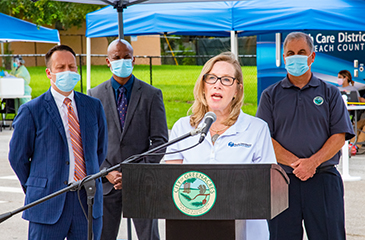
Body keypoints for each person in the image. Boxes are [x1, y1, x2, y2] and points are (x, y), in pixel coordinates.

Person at [165, 52, 277, 240]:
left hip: (247, 231)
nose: (217, 84)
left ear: (237, 90)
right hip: (192, 229)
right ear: (203, 86)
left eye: (226, 80)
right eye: (212, 78)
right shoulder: (183, 128)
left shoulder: (256, 129)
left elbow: (267, 184)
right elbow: (170, 181)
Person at [256, 32, 355, 240]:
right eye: (290, 53)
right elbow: (264, 139)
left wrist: (312, 163)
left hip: (323, 181)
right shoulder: (270, 95)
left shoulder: (330, 94)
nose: (295, 57)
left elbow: (339, 136)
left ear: (312, 57)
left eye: (301, 52)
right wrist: (297, 164)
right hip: (282, 181)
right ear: (284, 58)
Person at [8, 45, 108, 240]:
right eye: (60, 67)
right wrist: (37, 186)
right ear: (49, 73)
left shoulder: (93, 106)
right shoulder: (32, 111)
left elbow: (100, 150)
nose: (67, 72)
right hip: (47, 203)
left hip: (86, 202)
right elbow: (17, 157)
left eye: (71, 67)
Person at [88, 39, 168, 240]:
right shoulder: (94, 95)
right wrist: (106, 172)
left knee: (149, 237)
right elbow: (89, 142)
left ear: (134, 60)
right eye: (116, 57)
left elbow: (160, 141)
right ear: (108, 61)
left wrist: (134, 172)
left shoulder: (151, 94)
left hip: (141, 183)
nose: (121, 61)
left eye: (126, 57)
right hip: (107, 183)